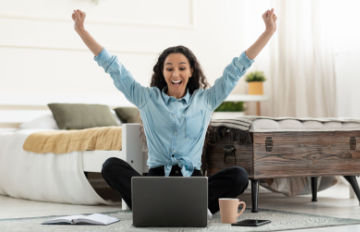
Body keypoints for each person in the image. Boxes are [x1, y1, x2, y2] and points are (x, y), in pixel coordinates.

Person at [72, 8, 277, 214]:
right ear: (162, 73)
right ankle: (177, 207)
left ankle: (169, 207)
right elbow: (113, 68)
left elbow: (236, 69)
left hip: (193, 183)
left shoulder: (205, 100)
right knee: (110, 166)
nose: (175, 73)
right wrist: (82, 31)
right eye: (169, 68)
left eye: (181, 67)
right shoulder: (147, 98)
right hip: (156, 181)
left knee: (239, 176)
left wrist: (268, 32)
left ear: (191, 71)